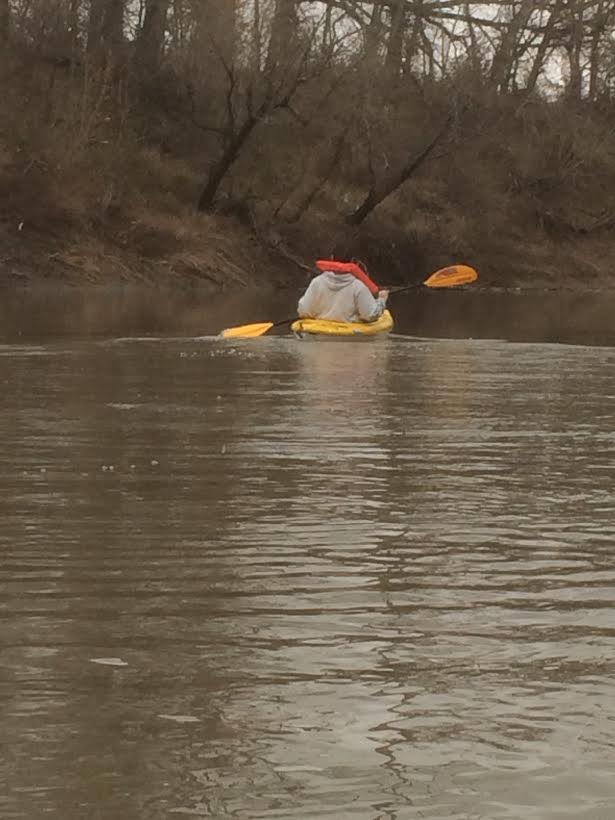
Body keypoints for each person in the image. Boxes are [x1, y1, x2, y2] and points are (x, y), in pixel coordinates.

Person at [297, 259, 389, 323]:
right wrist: (381, 299)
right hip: (350, 336)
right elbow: (370, 315)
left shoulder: (317, 282)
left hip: (319, 334)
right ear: (354, 264)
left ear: (331, 260)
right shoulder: (358, 287)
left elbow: (303, 311)